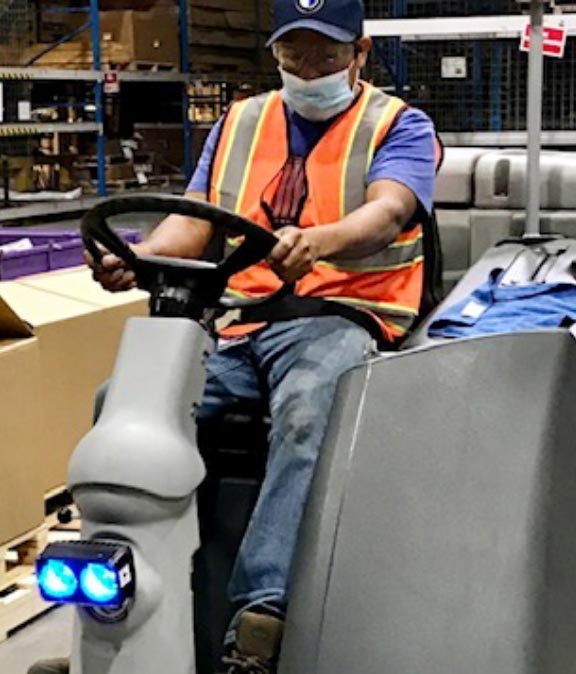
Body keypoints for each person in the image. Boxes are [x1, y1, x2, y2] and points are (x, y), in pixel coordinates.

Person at [78, 1, 439, 672]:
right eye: (293, 55)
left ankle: (261, 614)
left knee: (307, 411)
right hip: (241, 322)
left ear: (359, 52)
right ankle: (131, 593)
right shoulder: (241, 121)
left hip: (341, 313)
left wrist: (321, 241)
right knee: (123, 403)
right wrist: (141, 256)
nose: (308, 70)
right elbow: (193, 223)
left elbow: (389, 212)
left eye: (325, 55)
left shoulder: (401, 125)